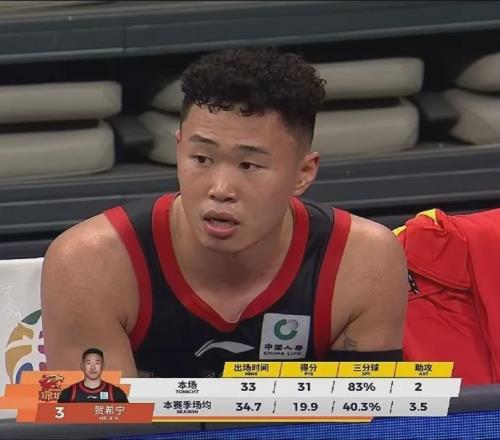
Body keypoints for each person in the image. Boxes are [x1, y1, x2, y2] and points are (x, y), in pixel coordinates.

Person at [42, 47, 408, 378]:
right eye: (202, 159)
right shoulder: (89, 264)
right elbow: (97, 419)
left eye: (248, 165)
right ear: (178, 149)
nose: (220, 189)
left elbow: (364, 419)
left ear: (303, 173)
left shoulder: (363, 262)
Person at [57, 348, 129, 403]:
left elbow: (128, 416)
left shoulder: (116, 393)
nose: (93, 368)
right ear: (82, 366)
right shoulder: (68, 394)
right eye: (88, 363)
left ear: (103, 366)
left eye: (97, 363)